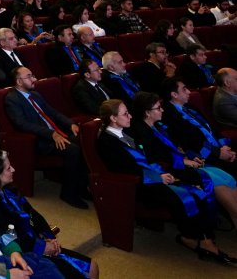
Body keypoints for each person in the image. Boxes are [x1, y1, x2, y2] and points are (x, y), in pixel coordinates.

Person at [96, 99, 233, 265]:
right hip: (138, 185)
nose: (130, 116)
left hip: (154, 175)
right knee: (190, 196)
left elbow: (148, 157)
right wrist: (157, 177)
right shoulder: (106, 141)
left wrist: (164, 172)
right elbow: (124, 170)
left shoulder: (128, 131)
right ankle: (194, 239)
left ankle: (202, 239)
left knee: (199, 191)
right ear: (113, 118)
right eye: (125, 114)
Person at [0, 150, 97, 279]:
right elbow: (7, 235)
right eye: (8, 168)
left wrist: (49, 235)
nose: (13, 169)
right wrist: (41, 246)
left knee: (92, 267)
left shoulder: (8, 189)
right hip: (24, 253)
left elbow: (33, 214)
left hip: (37, 242)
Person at [130, 91, 237, 229]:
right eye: (158, 108)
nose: (162, 109)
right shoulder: (141, 132)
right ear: (147, 113)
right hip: (172, 170)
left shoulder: (158, 126)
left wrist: (190, 156)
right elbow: (156, 158)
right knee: (216, 181)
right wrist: (183, 161)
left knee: (226, 177)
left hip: (183, 163)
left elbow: (177, 147)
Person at [4, 68, 89, 209]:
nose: (34, 79)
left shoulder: (35, 95)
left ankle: (82, 186)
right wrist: (51, 134)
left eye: (33, 75)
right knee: (72, 150)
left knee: (84, 141)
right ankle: (68, 193)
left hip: (54, 133)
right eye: (29, 76)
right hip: (37, 140)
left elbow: (53, 113)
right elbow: (22, 124)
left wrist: (71, 124)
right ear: (19, 81)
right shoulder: (12, 99)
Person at [160, 77, 237, 177]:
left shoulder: (190, 107)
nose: (188, 92)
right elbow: (190, 143)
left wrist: (224, 146)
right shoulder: (168, 116)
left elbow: (210, 127)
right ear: (174, 95)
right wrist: (219, 153)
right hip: (203, 157)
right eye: (184, 89)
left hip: (218, 149)